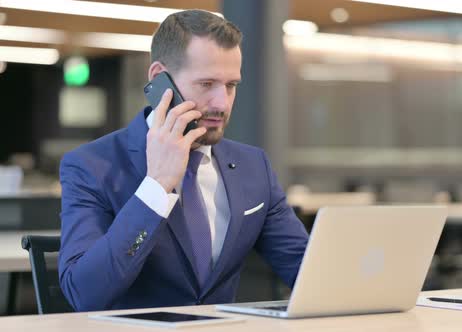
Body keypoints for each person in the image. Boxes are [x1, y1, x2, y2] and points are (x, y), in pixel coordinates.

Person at [58, 10, 309, 312]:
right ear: (158, 79)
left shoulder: (253, 166)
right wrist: (157, 187)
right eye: (206, 84)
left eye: (231, 85)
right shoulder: (92, 166)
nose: (222, 102)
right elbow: (84, 293)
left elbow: (306, 270)